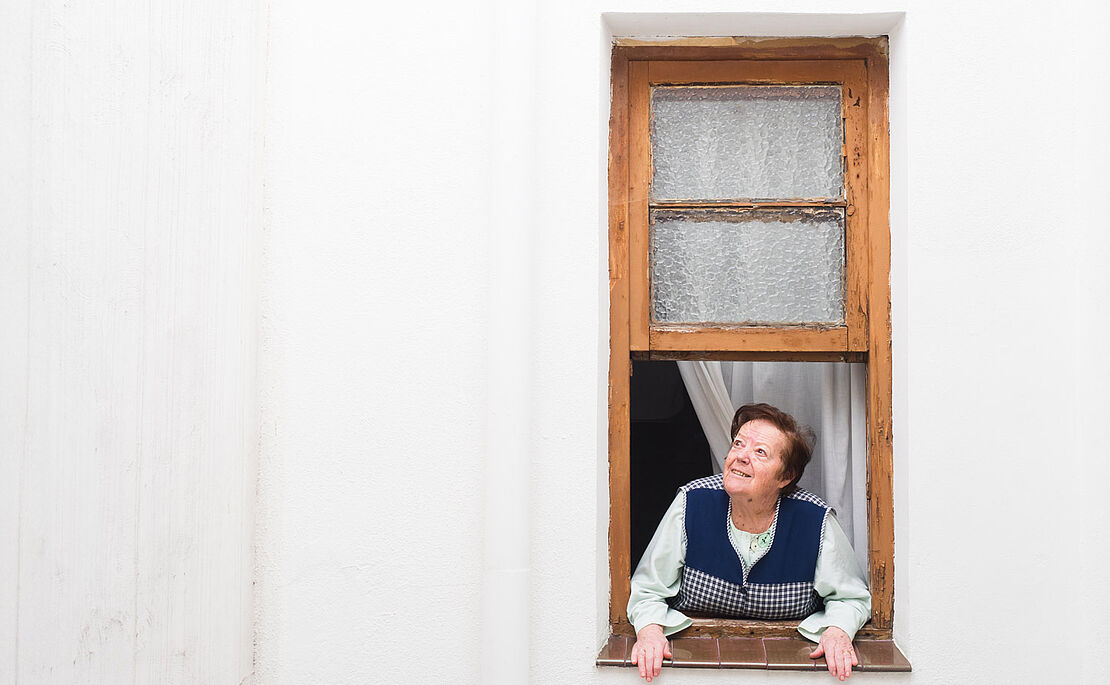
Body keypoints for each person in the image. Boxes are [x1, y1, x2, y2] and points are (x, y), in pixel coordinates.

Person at [628, 403, 870, 682]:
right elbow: (647, 589)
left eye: (760, 452)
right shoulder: (692, 502)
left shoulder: (815, 519)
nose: (741, 456)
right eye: (738, 444)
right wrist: (650, 631)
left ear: (786, 476)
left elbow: (850, 598)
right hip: (696, 665)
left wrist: (838, 631)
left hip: (788, 672)